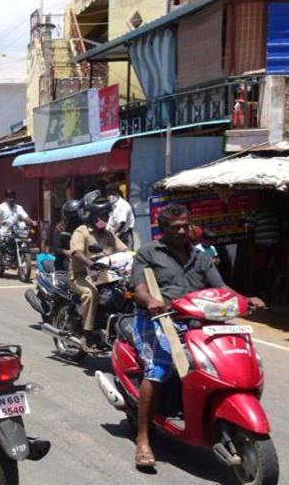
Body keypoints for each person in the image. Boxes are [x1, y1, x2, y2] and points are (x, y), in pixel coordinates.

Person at [131, 204, 265, 469]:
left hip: (197, 319)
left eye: (185, 225)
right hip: (158, 318)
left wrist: (245, 300)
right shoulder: (148, 253)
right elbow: (139, 288)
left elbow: (222, 288)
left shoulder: (201, 256)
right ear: (163, 228)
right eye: (175, 227)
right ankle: (143, 438)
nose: (182, 231)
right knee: (160, 368)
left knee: (225, 357)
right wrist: (151, 301)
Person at [69, 196, 128, 340]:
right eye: (103, 215)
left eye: (107, 215)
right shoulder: (81, 232)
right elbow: (76, 252)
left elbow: (124, 249)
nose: (107, 218)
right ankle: (86, 332)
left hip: (106, 276)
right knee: (91, 294)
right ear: (94, 217)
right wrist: (91, 264)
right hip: (81, 276)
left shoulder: (108, 234)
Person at [0, 189, 35, 255]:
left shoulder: (18, 208)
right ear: (6, 198)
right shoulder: (0, 207)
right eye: (9, 197)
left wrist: (31, 221)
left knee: (24, 239)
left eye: (13, 197)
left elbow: (25, 217)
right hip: (2, 230)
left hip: (15, 230)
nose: (12, 199)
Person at [51, 199, 82, 272]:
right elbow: (56, 248)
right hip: (64, 261)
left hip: (82, 259)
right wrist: (66, 252)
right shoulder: (60, 228)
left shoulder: (83, 227)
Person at [105, 183, 135, 249]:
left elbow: (121, 223)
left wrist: (112, 234)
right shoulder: (112, 205)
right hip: (115, 235)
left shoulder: (122, 205)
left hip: (124, 237)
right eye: (108, 194)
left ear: (117, 193)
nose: (110, 196)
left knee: (126, 256)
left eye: (112, 194)